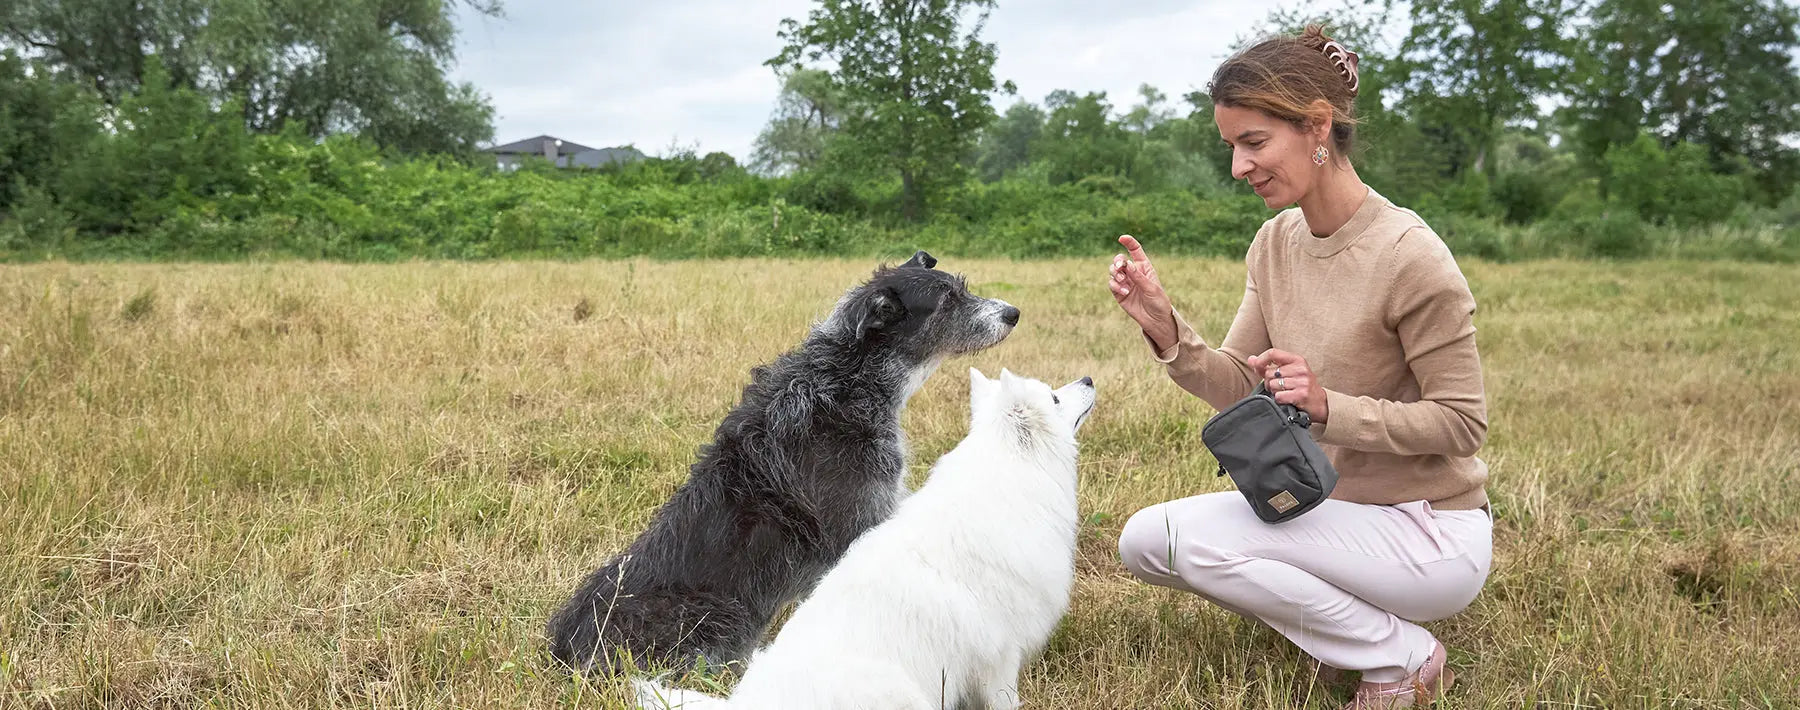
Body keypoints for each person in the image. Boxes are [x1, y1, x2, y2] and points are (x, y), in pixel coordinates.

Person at [1108, 25, 1493, 710]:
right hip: (1325, 514)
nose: (1238, 167)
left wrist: (1328, 407)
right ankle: (1354, 636)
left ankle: (1403, 657)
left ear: (1318, 126)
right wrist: (1167, 329)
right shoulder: (1276, 241)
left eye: (1254, 143)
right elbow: (1240, 383)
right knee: (1146, 543)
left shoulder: (1411, 255)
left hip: (1428, 533)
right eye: (1231, 146)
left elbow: (1463, 424)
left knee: (1171, 537)